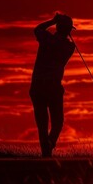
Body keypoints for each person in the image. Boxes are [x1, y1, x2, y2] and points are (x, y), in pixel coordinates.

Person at [30, 13, 75, 157]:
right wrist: (59, 26)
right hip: (53, 88)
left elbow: (37, 30)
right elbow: (63, 41)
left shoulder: (47, 39)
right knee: (58, 122)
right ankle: (49, 147)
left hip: (37, 87)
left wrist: (52, 21)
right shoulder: (69, 47)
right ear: (67, 30)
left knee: (42, 125)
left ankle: (46, 152)